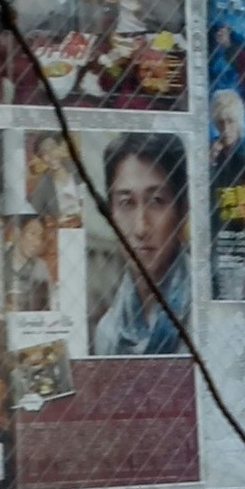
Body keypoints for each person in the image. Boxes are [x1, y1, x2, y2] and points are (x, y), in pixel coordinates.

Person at [85, 136, 195, 358]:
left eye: (156, 201)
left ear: (182, 210)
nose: (140, 228)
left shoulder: (204, 315)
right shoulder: (109, 332)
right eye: (126, 203)